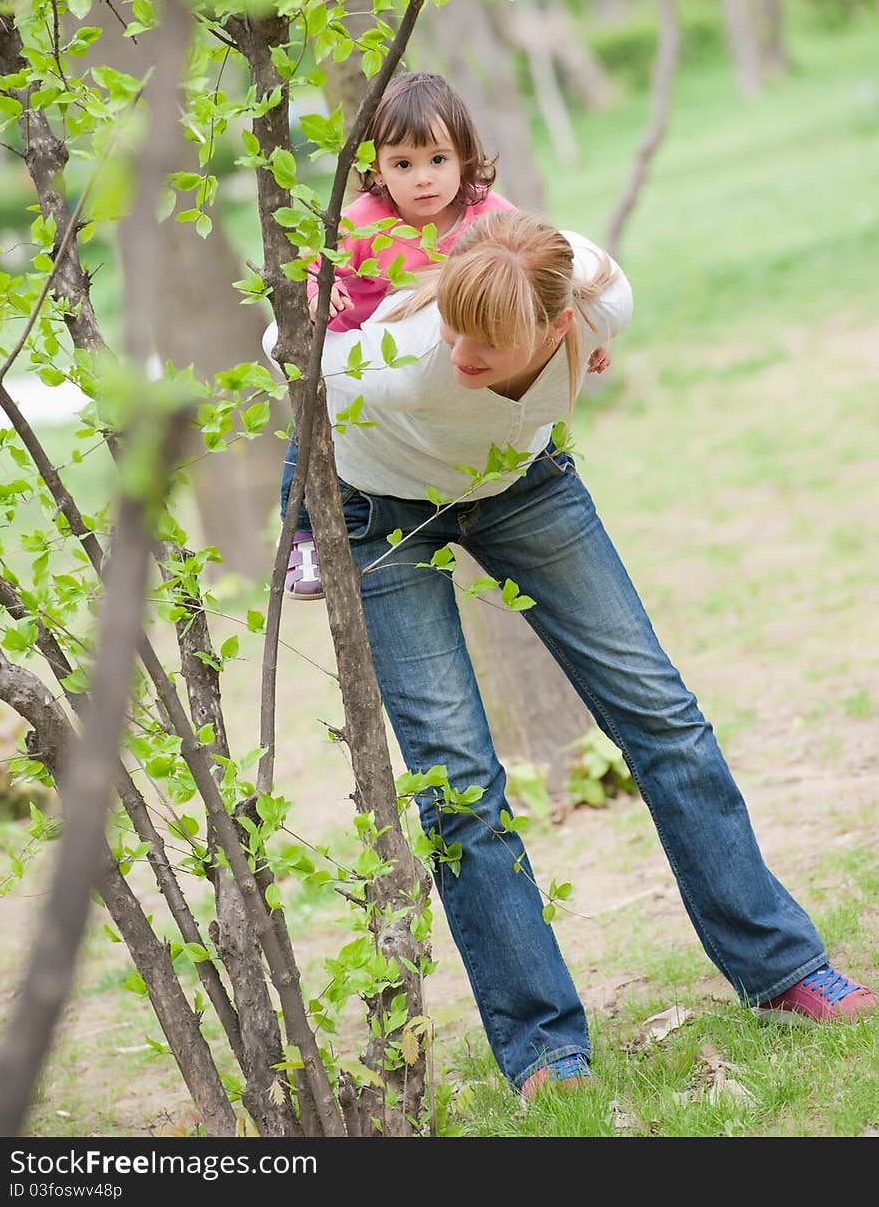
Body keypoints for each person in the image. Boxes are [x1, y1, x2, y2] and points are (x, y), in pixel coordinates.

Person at [272, 209, 877, 1100]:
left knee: (663, 717)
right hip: (378, 511)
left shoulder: (600, 300)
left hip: (522, 488)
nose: (467, 353)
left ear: (562, 328)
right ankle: (545, 1048)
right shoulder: (403, 362)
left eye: (493, 340)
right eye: (458, 331)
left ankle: (782, 968)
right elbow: (280, 341)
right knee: (458, 781)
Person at [277, 69, 610, 599]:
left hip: (446, 363)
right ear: (378, 169)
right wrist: (321, 291)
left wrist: (592, 334)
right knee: (315, 420)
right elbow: (318, 266)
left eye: (438, 161)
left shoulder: (488, 215)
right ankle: (301, 531)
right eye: (403, 165)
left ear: (464, 159)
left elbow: (540, 277)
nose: (423, 179)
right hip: (367, 340)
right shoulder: (365, 219)